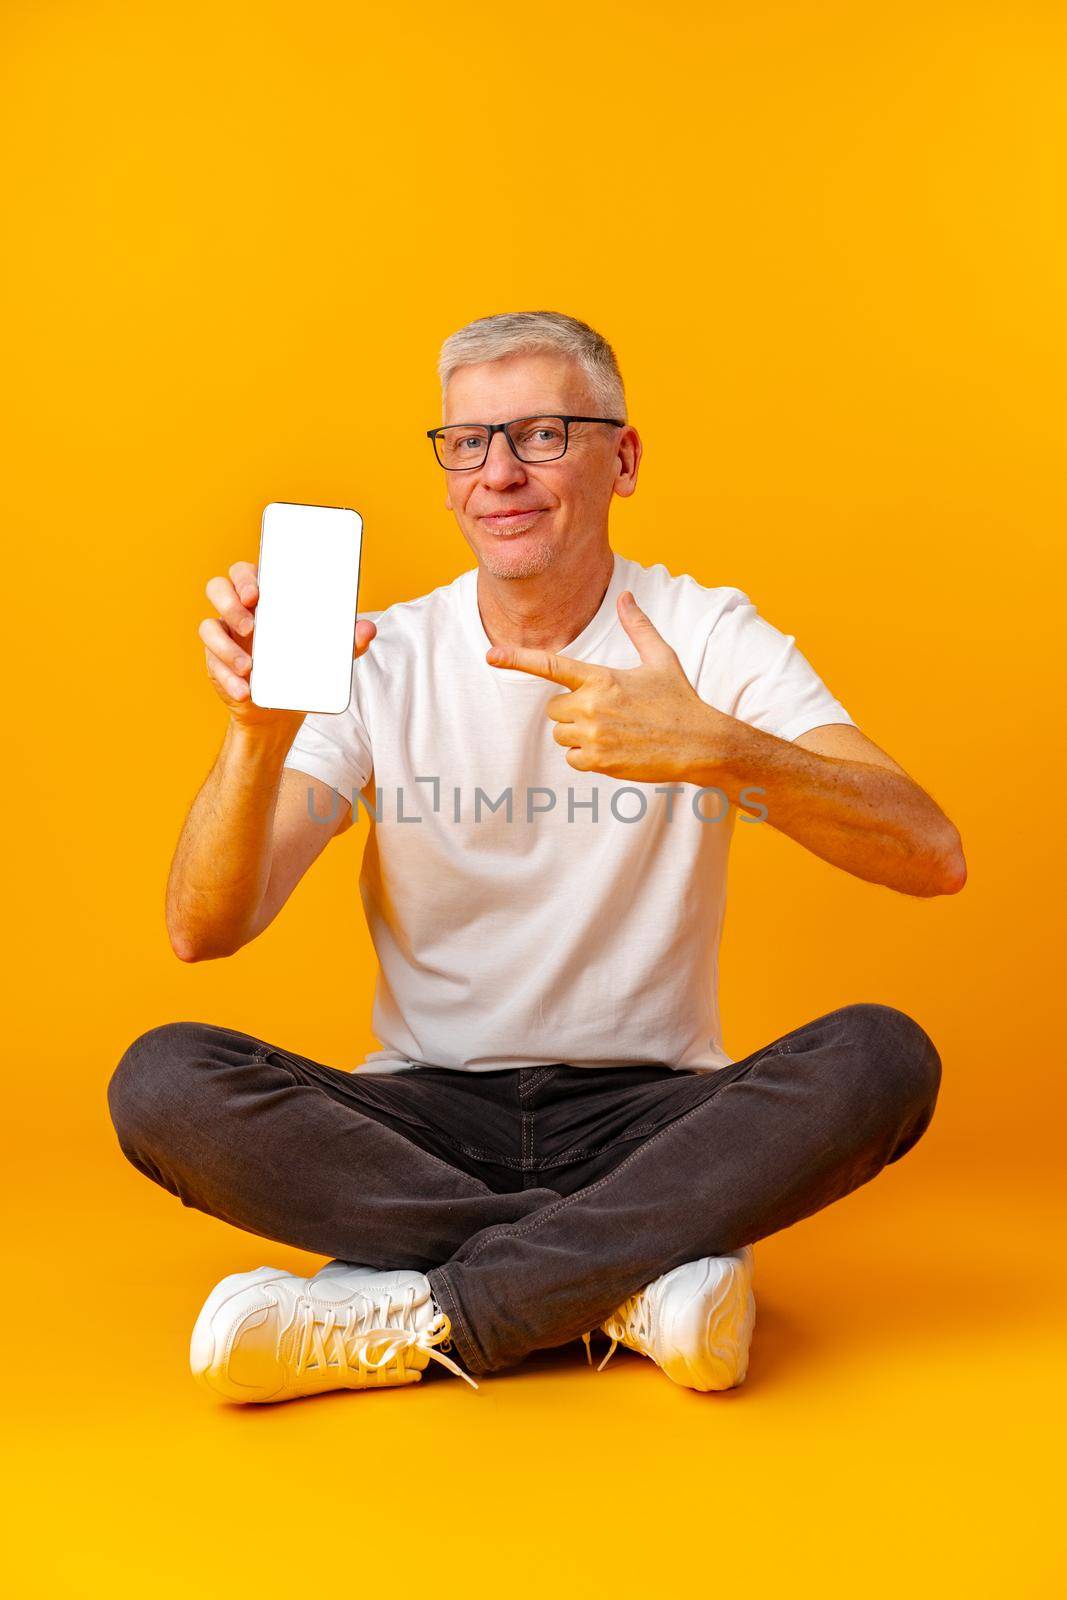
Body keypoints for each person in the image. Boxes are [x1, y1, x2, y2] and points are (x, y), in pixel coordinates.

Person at [107, 309, 964, 1405]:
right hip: (423, 1120)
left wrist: (717, 747)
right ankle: (625, 1279)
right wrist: (255, 736)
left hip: (651, 1115)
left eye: (544, 434)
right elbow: (205, 925)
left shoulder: (704, 638)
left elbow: (928, 850)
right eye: (467, 442)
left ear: (625, 457)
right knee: (163, 1079)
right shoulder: (380, 654)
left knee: (880, 1059)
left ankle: (418, 1313)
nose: (498, 474)